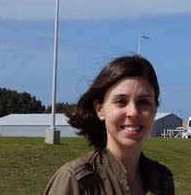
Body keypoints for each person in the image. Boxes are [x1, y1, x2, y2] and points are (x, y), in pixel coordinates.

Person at [44, 55, 175, 195]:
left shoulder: (162, 179)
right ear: (100, 109)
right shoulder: (76, 182)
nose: (133, 112)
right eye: (120, 101)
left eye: (143, 102)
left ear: (154, 110)